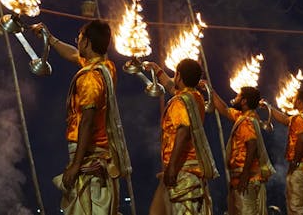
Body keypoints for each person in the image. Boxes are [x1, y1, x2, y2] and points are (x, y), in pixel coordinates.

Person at [37, 21, 131, 214]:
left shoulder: (90, 78)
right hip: (100, 153)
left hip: (90, 154)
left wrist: (76, 165)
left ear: (86, 42)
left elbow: (87, 122)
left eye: (79, 39)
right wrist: (50, 39)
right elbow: (73, 54)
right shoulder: (106, 68)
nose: (77, 43)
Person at [145, 59, 218, 215]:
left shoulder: (180, 102)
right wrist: (157, 70)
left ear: (178, 76)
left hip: (182, 171)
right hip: (184, 170)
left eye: (175, 75)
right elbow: (172, 87)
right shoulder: (195, 97)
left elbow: (183, 131)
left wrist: (172, 167)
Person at [204, 83, 274, 215]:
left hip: (247, 179)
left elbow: (252, 146)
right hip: (246, 178)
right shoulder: (244, 117)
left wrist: (245, 175)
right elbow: (224, 109)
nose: (234, 98)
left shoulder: (247, 121)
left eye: (238, 96)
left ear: (244, 101)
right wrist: (209, 90)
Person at [264, 89, 303, 215]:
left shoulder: (300, 118)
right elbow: (286, 120)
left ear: (299, 101)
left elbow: (301, 140)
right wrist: (268, 107)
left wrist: (295, 163)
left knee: (296, 208)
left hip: (302, 170)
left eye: (294, 98)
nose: (292, 100)